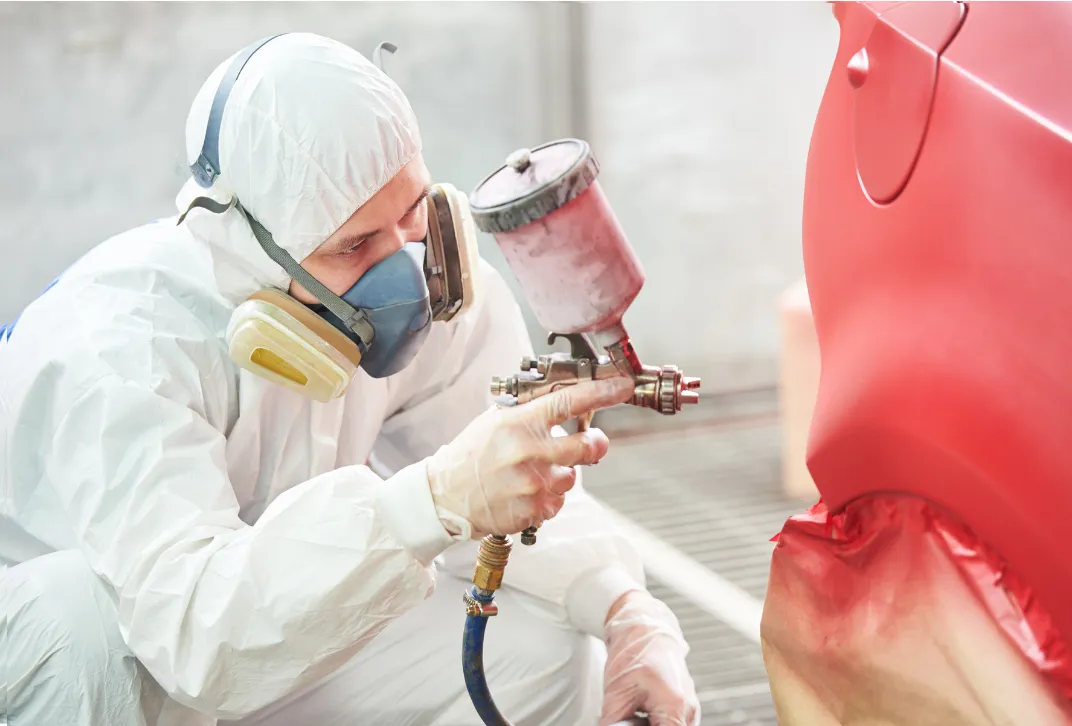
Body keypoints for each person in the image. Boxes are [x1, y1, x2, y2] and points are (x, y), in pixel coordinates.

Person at [0, 33, 700, 726]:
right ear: (255, 246)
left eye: (411, 210)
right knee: (87, 630)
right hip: (107, 658)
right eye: (354, 245)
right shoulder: (127, 346)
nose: (404, 269)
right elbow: (192, 636)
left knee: (544, 650)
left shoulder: (436, 286)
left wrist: (626, 613)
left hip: (252, 636)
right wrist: (430, 501)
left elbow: (511, 469)